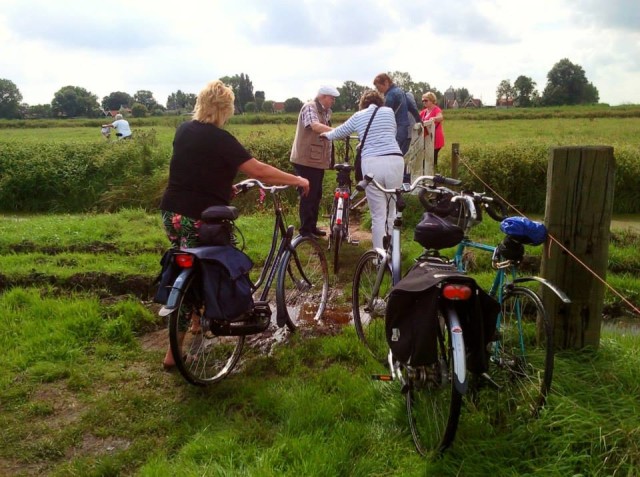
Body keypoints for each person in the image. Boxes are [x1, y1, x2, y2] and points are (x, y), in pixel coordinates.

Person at [159, 79, 310, 370]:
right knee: (214, 267)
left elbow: (196, 169)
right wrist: (298, 179)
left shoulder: (183, 130)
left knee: (188, 265)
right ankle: (173, 354)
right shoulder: (221, 138)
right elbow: (259, 171)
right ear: (224, 109)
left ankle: (194, 324)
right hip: (200, 217)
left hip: (171, 213)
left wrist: (226, 188)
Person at [320, 89, 403, 250]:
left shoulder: (359, 115)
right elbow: (391, 132)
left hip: (372, 164)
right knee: (393, 210)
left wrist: (326, 135)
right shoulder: (389, 112)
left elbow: (341, 131)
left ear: (362, 104)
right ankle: (394, 255)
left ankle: (378, 256)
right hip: (395, 160)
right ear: (380, 101)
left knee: (378, 215)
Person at [290, 85, 340, 238]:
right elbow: (314, 126)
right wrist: (338, 131)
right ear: (323, 96)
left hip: (316, 160)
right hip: (306, 160)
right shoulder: (310, 107)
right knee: (308, 195)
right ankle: (305, 231)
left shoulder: (325, 111)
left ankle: (312, 227)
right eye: (331, 98)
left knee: (316, 194)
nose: (333, 101)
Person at [372, 73, 421, 155]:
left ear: (386, 82)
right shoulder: (401, 92)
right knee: (400, 155)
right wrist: (419, 121)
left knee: (390, 154)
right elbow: (413, 109)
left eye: (378, 86)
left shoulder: (390, 95)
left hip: (396, 130)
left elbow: (384, 115)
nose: (378, 90)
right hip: (404, 130)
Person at [420, 92, 445, 167]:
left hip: (436, 137)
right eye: (423, 101)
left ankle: (433, 174)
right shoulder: (424, 111)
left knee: (432, 157)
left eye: (426, 100)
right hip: (427, 137)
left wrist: (434, 118)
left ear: (431, 100)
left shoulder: (436, 109)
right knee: (427, 157)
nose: (424, 102)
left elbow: (441, 117)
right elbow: (417, 119)